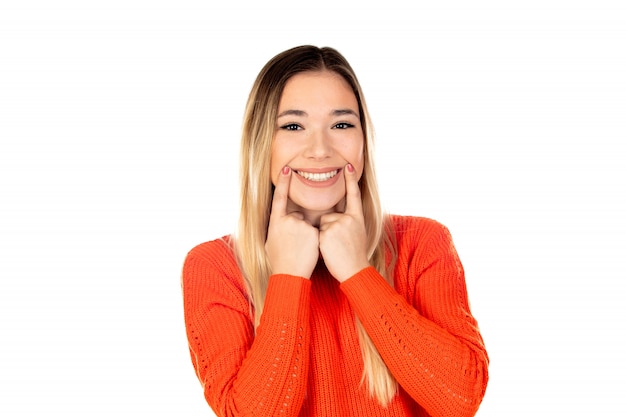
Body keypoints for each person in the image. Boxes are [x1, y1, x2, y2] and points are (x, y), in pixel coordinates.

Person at [182, 45, 489, 417]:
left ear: (363, 141)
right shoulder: (215, 267)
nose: (320, 150)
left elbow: (460, 400)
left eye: (341, 124)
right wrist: (288, 277)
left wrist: (359, 273)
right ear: (262, 142)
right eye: (293, 126)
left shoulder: (421, 242)